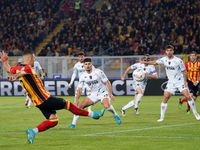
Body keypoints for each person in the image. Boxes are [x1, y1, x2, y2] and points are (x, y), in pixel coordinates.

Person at [0, 50, 105, 144]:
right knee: (69, 105)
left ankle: (33, 132)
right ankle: (94, 115)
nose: (34, 61)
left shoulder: (17, 67)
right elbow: (22, 73)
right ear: (30, 58)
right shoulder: (27, 68)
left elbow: (8, 68)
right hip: (45, 98)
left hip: (38, 103)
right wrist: (14, 77)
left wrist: (4, 60)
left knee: (53, 120)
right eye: (34, 59)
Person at [137, 45, 200, 122]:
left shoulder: (178, 61)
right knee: (165, 98)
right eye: (167, 50)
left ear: (173, 51)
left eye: (170, 50)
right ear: (166, 51)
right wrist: (143, 62)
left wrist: (184, 81)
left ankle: (196, 113)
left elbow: (184, 71)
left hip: (179, 81)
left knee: (188, 96)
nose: (169, 52)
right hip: (171, 82)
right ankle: (161, 117)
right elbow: (154, 62)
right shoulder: (164, 59)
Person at [67, 58, 121, 128]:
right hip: (93, 94)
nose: (87, 66)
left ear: (91, 64)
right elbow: (79, 89)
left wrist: (110, 93)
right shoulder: (83, 76)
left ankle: (115, 114)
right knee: (80, 107)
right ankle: (73, 124)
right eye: (86, 64)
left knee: (107, 106)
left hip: (103, 92)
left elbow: (107, 82)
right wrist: (77, 100)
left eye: (89, 64)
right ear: (83, 65)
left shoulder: (98, 72)